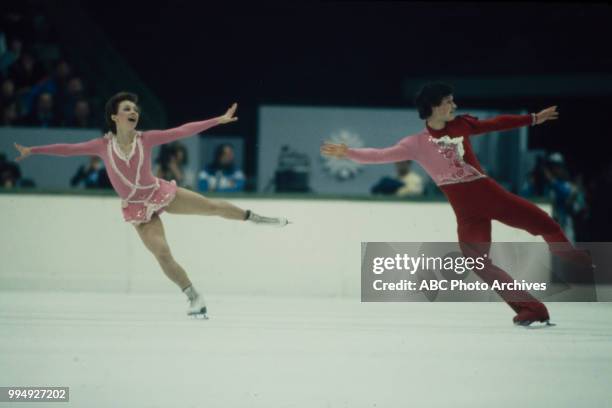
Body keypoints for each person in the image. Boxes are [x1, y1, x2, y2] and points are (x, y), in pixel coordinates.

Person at [321, 82, 593, 326]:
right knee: (476, 261)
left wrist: (533, 119)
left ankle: (570, 258)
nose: (455, 105)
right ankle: (531, 309)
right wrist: (349, 153)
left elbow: (497, 123)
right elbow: (380, 155)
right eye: (449, 101)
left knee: (544, 223)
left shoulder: (462, 125)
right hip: (466, 212)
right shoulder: (414, 144)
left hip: (491, 196)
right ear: (434, 107)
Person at [14, 92, 289, 318]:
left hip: (159, 192)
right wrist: (33, 150)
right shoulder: (101, 145)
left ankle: (254, 217)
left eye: (135, 108)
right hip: (136, 207)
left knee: (211, 206)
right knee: (163, 252)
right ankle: (194, 297)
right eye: (127, 108)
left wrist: (218, 119)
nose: (133, 111)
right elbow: (68, 149)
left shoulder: (146, 139)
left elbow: (182, 131)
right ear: (115, 117)